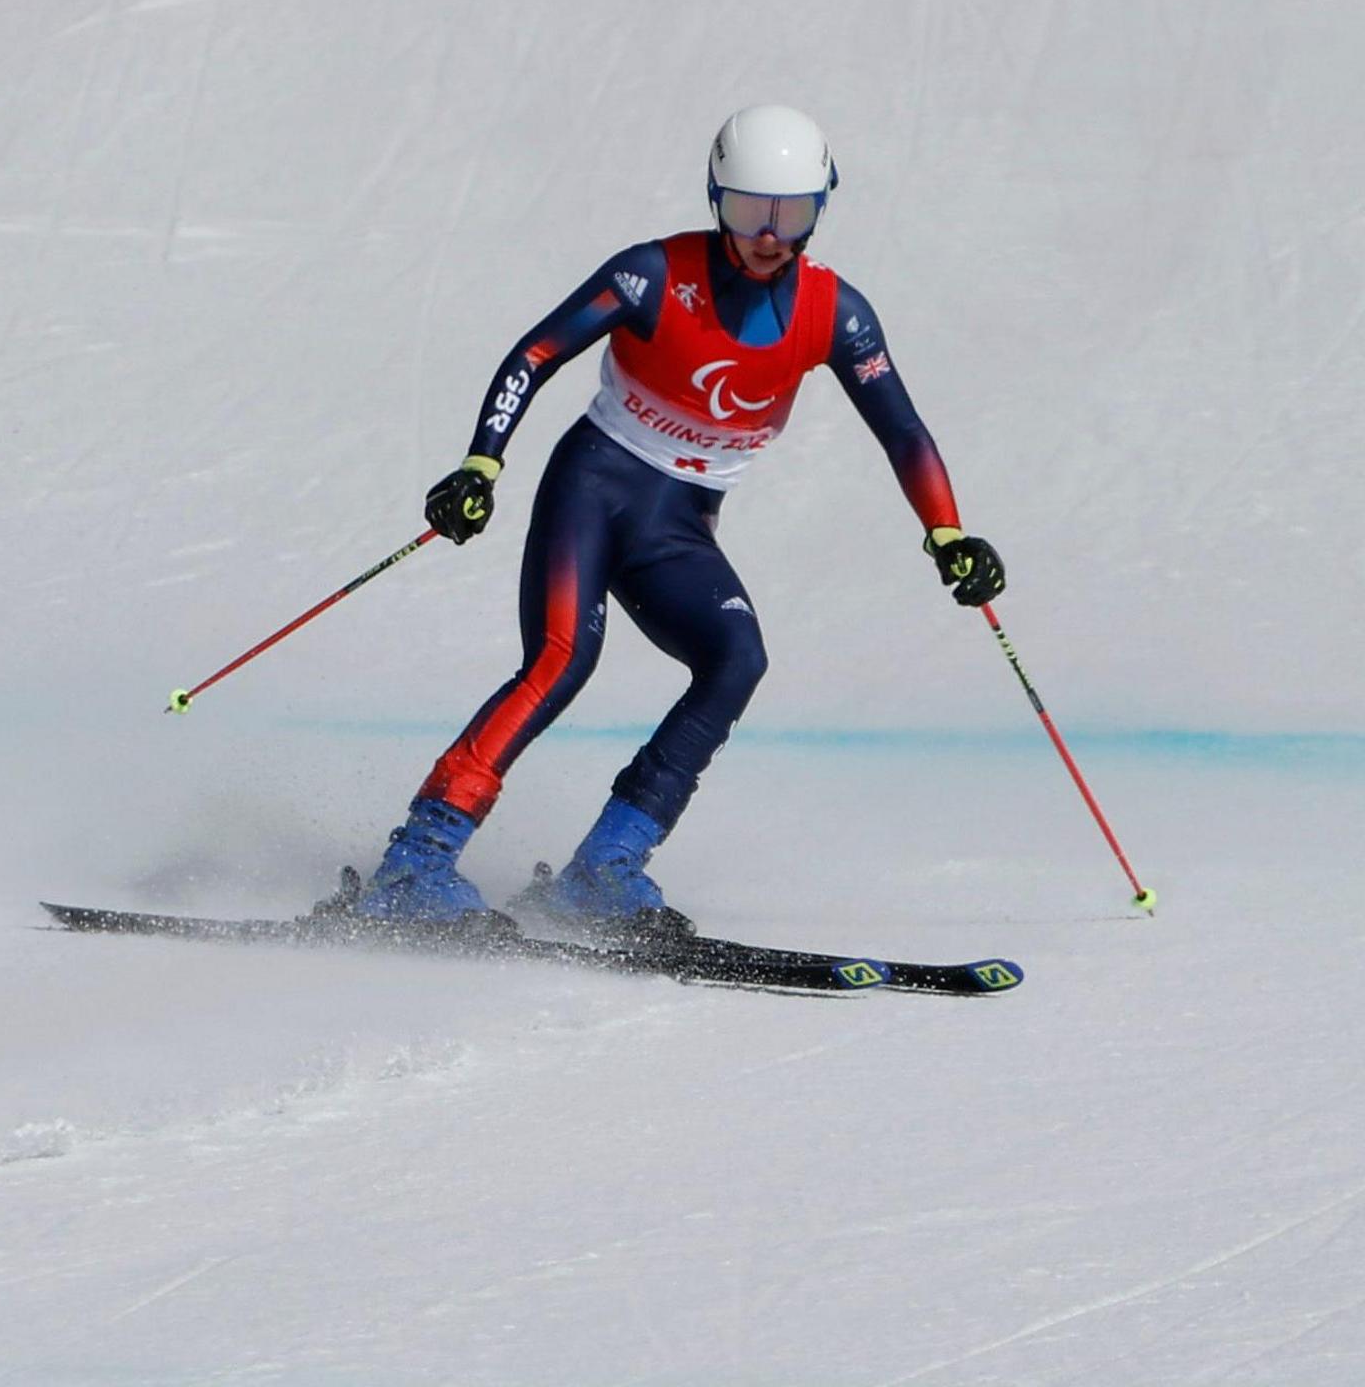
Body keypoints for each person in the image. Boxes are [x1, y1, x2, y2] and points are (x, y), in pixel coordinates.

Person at [349, 105, 1005, 939]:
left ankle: (605, 869)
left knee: (737, 657)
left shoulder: (836, 314)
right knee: (560, 660)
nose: (769, 236)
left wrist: (947, 534)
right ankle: (415, 863)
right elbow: (535, 354)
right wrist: (483, 461)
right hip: (592, 489)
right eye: (746, 211)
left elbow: (904, 431)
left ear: (822, 207)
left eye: (792, 215)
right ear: (713, 197)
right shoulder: (652, 275)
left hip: (677, 528)